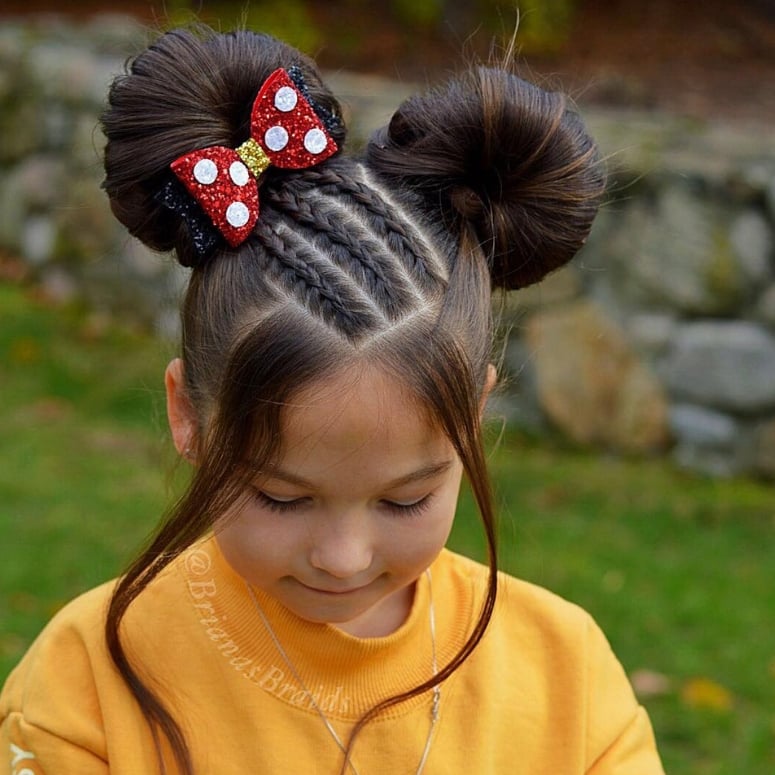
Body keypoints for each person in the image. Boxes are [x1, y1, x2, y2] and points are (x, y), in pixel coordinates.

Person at [0, 26, 664, 775]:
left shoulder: (564, 676)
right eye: (281, 497)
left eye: (406, 499)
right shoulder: (90, 678)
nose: (343, 558)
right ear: (187, 413)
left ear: (473, 422)